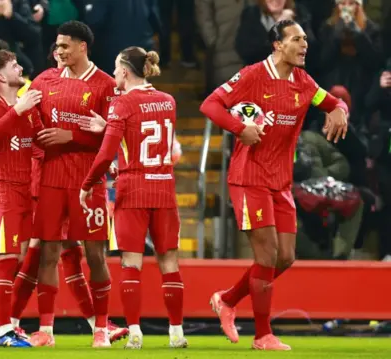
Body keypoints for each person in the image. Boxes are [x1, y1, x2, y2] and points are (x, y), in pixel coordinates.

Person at [199, 19, 349, 350]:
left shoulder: (304, 82)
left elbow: (331, 102)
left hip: (280, 181)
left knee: (286, 257)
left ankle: (226, 299)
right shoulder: (253, 75)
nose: (304, 45)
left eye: (305, 40)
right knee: (267, 255)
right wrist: (239, 128)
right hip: (249, 176)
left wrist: (340, 109)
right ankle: (262, 335)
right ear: (277, 45)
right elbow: (210, 104)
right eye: (297, 39)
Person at [79, 46, 187, 349]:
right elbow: (145, 136)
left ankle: (135, 332)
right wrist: (110, 126)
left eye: (115, 68)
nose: (113, 74)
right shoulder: (168, 101)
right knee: (169, 262)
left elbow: (105, 155)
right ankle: (176, 333)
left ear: (125, 71)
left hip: (133, 189)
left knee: (131, 263)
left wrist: (87, 184)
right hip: (165, 187)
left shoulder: (122, 104)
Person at [27, 20, 118, 348]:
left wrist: (72, 136)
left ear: (83, 47)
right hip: (51, 180)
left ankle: (102, 329)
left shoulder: (106, 85)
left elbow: (113, 139)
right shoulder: (43, 81)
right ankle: (46, 330)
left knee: (95, 255)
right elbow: (30, 124)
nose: (59, 51)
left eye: (65, 46)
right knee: (48, 253)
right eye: (57, 45)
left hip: (87, 182)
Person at [0, 49, 43, 347]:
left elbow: (41, 144)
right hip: (0, 191)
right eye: (14, 65)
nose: (21, 67)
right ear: (1, 76)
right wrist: (18, 109)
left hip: (24, 192)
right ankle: (5, 331)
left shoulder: (27, 106)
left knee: (15, 260)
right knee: (5, 260)